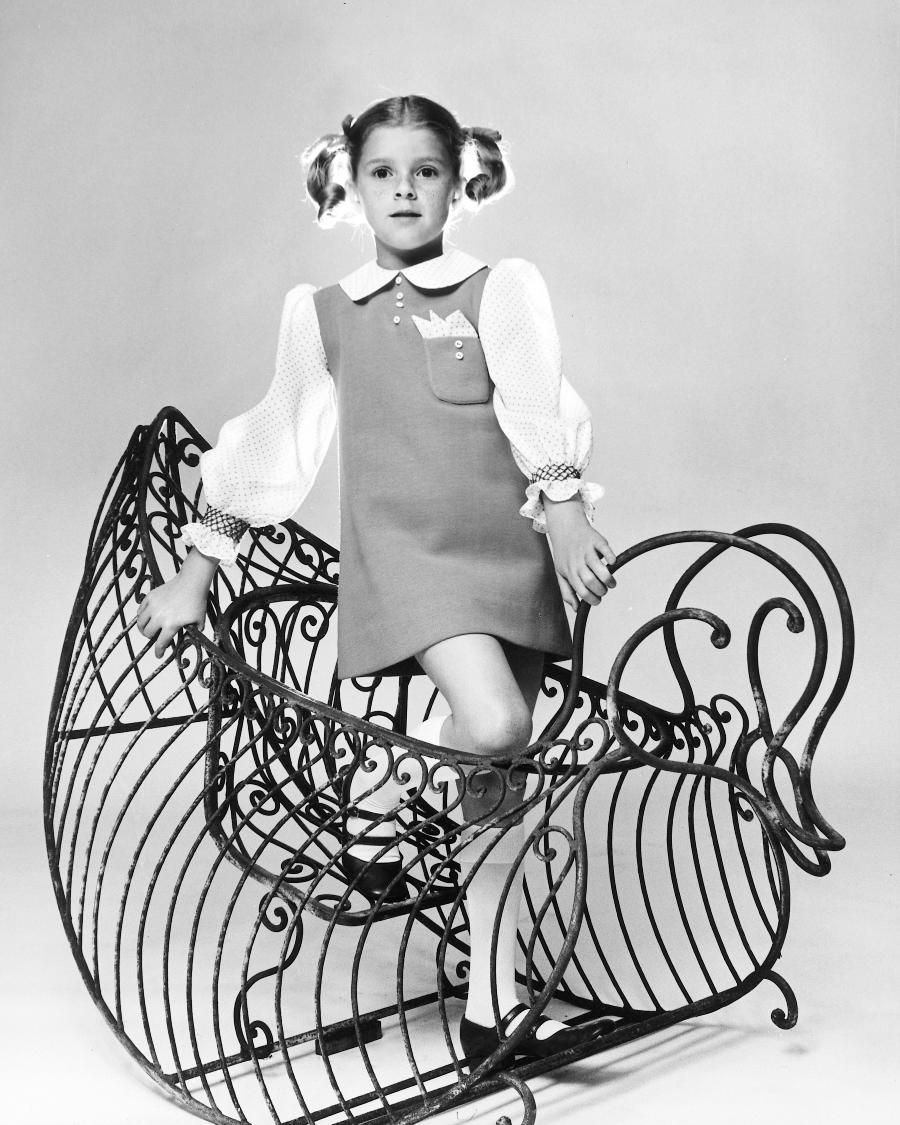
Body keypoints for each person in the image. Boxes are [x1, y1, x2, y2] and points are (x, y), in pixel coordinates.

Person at [137, 94, 617, 1069]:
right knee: (488, 731)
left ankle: (493, 1006)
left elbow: (538, 401)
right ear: (349, 187)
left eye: (426, 170)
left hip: (509, 553)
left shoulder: (501, 286)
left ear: (458, 181)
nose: (405, 188)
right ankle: (385, 790)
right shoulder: (323, 317)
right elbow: (274, 442)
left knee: (498, 783)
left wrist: (564, 511)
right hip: (409, 563)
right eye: (385, 172)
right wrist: (198, 569)